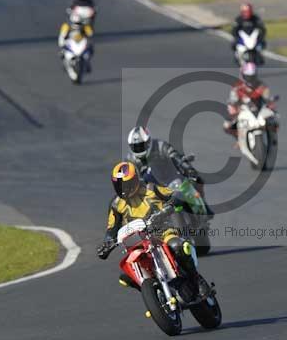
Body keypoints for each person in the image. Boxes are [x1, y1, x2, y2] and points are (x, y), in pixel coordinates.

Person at [96, 162, 208, 294]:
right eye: (119, 186)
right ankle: (151, 292)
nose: (123, 189)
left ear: (136, 180)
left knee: (177, 246)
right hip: (137, 242)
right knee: (126, 275)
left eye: (127, 185)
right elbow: (112, 229)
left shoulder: (151, 188)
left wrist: (168, 207)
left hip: (163, 231)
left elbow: (176, 194)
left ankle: (196, 280)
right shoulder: (116, 204)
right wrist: (107, 244)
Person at [126, 126, 207, 198]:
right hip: (151, 186)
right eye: (135, 147)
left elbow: (175, 156)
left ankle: (202, 201)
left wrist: (187, 167)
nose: (139, 149)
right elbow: (129, 177)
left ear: (148, 142)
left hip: (171, 178)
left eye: (141, 146)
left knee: (197, 179)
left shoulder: (161, 146)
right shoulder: (130, 159)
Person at [223, 62, 273, 137]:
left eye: (252, 76)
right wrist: (234, 105)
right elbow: (232, 100)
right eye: (248, 76)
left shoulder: (261, 85)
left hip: (259, 108)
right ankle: (239, 137)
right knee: (227, 125)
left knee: (273, 118)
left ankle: (271, 136)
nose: (250, 79)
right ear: (243, 75)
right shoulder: (237, 87)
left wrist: (269, 103)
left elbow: (267, 97)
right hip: (243, 109)